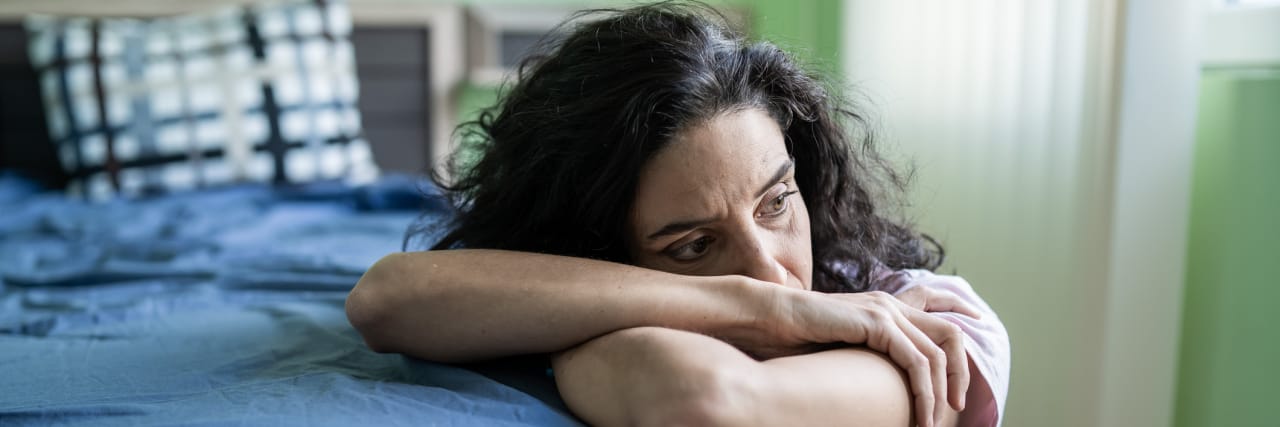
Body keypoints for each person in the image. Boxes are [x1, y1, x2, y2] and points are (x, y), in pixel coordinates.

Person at [345, 2, 1009, 426]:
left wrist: (570, 321)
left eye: (777, 202)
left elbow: (701, 400)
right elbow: (384, 299)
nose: (770, 274)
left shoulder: (935, 331)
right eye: (694, 245)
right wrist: (768, 311)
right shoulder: (771, 295)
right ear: (600, 249)